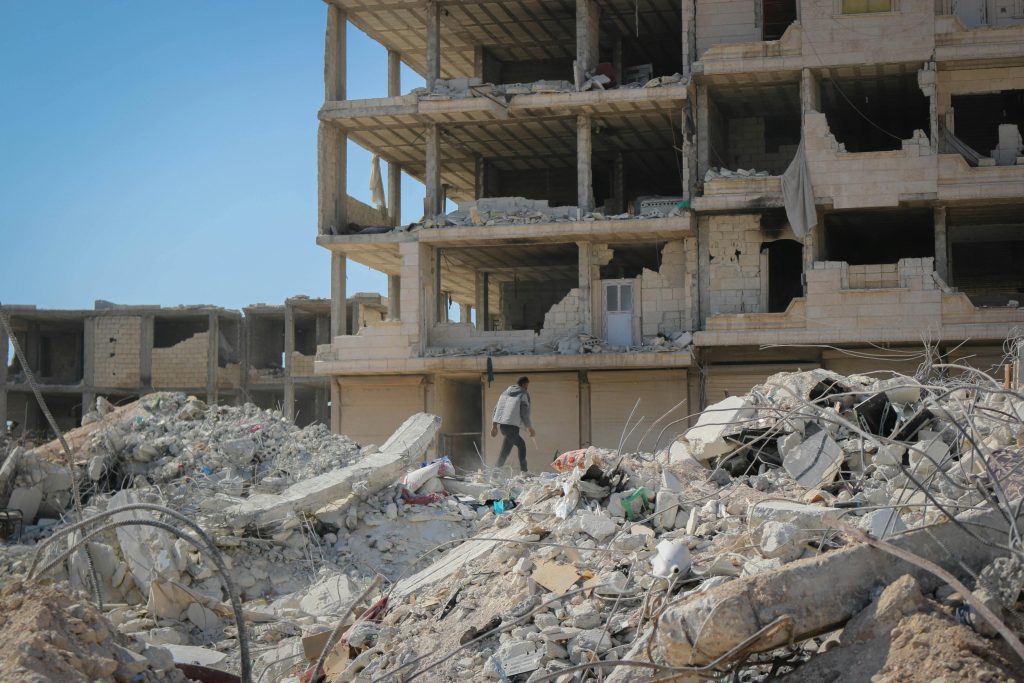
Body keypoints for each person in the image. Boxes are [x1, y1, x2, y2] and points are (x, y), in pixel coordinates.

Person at [490, 376, 535, 472]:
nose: (527, 387)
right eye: (527, 384)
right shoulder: (523, 394)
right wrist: (529, 427)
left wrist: (494, 426)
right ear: (524, 384)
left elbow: (496, 409)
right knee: (516, 447)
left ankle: (496, 474)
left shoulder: (504, 393)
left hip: (503, 426)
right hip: (512, 427)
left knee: (511, 449)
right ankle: (523, 472)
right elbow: (524, 413)